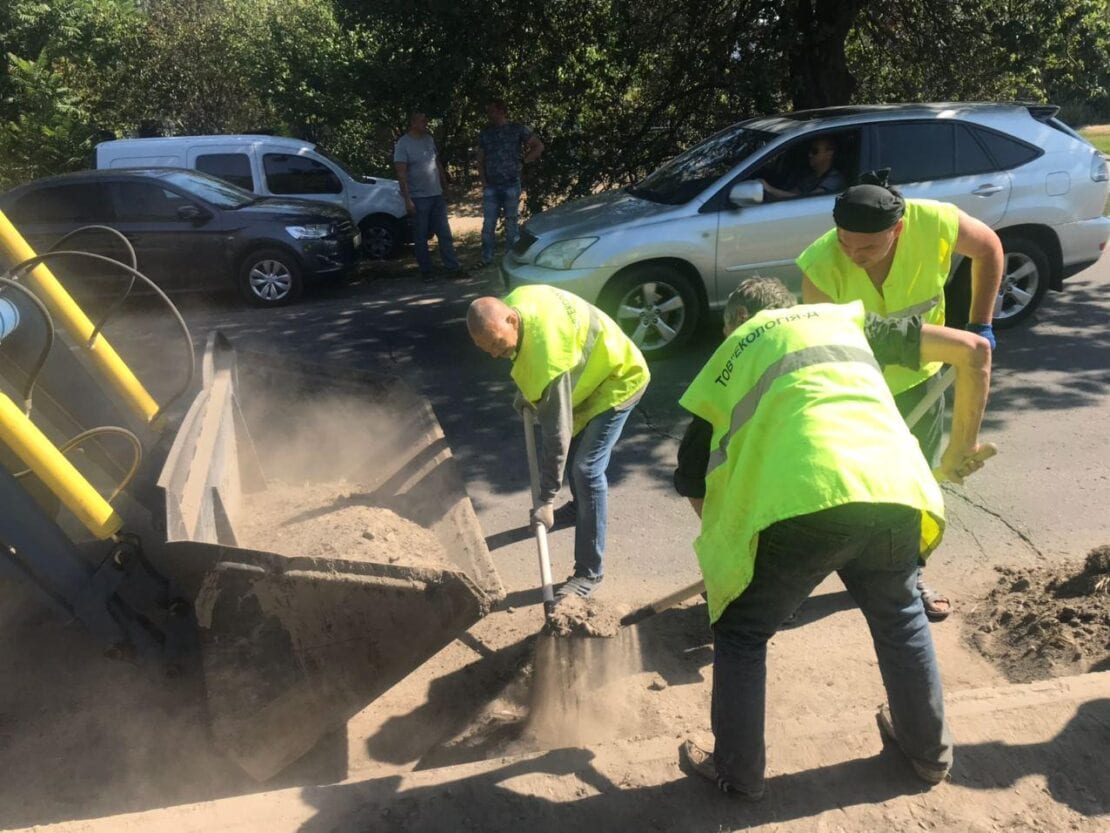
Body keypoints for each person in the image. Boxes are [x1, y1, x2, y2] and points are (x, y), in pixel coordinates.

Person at [675, 276, 992, 799]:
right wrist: (962, 449)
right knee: (900, 614)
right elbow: (974, 348)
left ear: (734, 322)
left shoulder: (731, 353)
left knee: (742, 631)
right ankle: (929, 753)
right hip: (895, 489)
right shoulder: (844, 319)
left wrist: (730, 558)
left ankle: (738, 771)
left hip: (808, 501)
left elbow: (692, 476)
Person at [798, 170, 1003, 621]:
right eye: (845, 243)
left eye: (868, 247)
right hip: (859, 390)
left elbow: (988, 247)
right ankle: (800, 582)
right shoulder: (819, 264)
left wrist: (980, 322)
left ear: (898, 228)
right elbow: (826, 348)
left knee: (915, 486)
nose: (854, 255)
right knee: (845, 489)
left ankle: (910, 575)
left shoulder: (935, 222)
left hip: (923, 381)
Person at [466, 285, 649, 598]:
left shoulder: (545, 354)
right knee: (578, 455)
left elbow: (556, 435)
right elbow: (534, 361)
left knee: (586, 470)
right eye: (488, 350)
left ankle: (589, 574)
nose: (496, 354)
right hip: (591, 375)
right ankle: (581, 508)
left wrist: (546, 498)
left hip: (619, 379)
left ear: (512, 320)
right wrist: (529, 392)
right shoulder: (519, 304)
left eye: (497, 344)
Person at [394, 111, 466, 283]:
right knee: (421, 236)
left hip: (436, 195)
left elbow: (437, 164)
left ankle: (452, 268)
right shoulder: (403, 144)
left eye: (426, 120)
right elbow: (401, 173)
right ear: (413, 123)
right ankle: (426, 271)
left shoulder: (428, 139)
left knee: (444, 233)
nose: (425, 123)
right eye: (422, 120)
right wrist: (407, 199)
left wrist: (445, 187)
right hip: (418, 198)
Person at [477, 99, 545, 266]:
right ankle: (487, 258)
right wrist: (483, 181)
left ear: (501, 111)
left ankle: (509, 258)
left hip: (511, 183)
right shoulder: (486, 133)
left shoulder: (516, 129)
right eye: (488, 111)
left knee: (511, 223)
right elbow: (480, 158)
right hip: (492, 185)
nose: (489, 115)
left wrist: (524, 161)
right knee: (488, 224)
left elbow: (538, 146)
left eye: (492, 111)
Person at [760, 135, 846, 200]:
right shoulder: (811, 177)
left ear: (829, 154)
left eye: (814, 151)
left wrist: (770, 189)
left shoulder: (834, 179)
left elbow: (808, 200)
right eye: (810, 151)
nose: (810, 155)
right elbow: (790, 194)